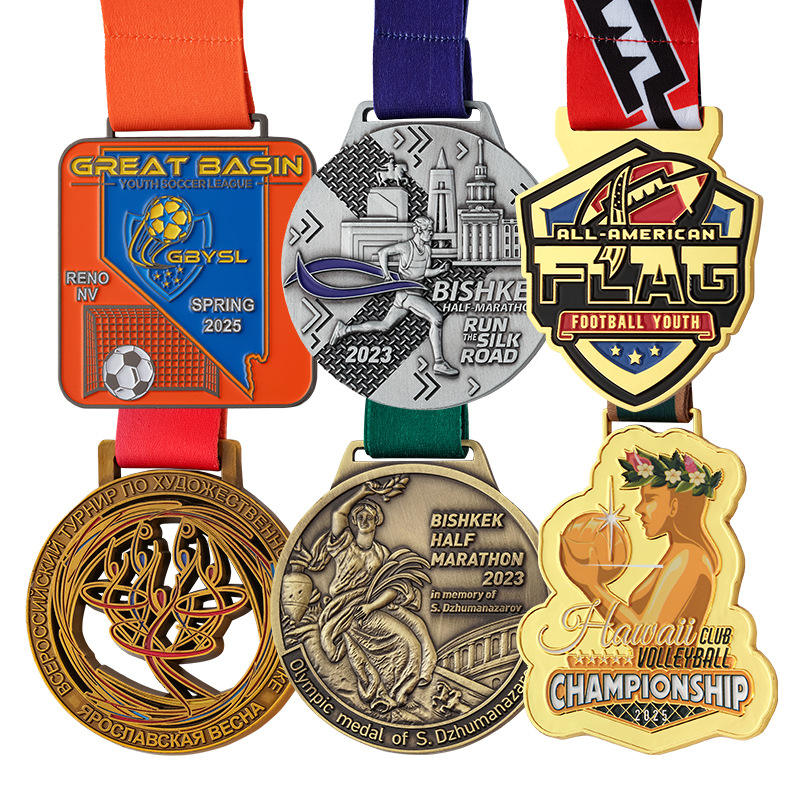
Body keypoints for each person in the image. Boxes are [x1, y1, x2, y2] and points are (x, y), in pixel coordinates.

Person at [299, 479, 436, 714]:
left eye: (369, 517)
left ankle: (423, 674)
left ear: (376, 521)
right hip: (348, 607)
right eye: (359, 517)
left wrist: (372, 605)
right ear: (354, 521)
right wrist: (362, 492)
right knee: (407, 641)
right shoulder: (345, 546)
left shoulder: (381, 552)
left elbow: (391, 585)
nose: (364, 521)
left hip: (373, 604)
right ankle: (394, 694)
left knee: (418, 625)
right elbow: (338, 515)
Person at [563, 452, 721, 627]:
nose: (639, 508)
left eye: (649, 499)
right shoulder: (679, 555)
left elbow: (647, 632)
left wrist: (591, 586)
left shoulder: (689, 559)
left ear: (674, 506)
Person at [330, 216, 459, 376]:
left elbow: (423, 272)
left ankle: (345, 329)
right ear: (418, 230)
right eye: (428, 230)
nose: (431, 234)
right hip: (407, 294)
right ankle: (439, 362)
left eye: (431, 231)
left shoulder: (427, 250)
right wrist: (386, 275)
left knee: (385, 326)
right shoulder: (406, 247)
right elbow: (383, 252)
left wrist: (440, 270)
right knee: (437, 319)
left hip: (412, 295)